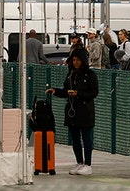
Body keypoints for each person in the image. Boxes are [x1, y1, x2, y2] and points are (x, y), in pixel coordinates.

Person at [45, 47, 99, 176]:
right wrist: (56, 91)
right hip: (72, 111)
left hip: (85, 111)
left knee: (87, 138)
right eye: (73, 60)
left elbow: (94, 92)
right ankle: (79, 162)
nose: (75, 63)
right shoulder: (71, 74)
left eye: (78, 60)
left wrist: (78, 94)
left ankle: (88, 164)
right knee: (75, 139)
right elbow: (65, 91)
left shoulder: (90, 74)